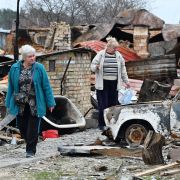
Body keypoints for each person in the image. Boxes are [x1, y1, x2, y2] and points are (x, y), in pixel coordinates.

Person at [5, 44, 56, 158]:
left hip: (35, 102)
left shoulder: (39, 68)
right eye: (30, 56)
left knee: (33, 128)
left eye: (34, 56)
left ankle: (30, 151)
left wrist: (50, 102)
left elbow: (46, 86)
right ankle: (30, 142)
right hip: (21, 103)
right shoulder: (14, 68)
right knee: (22, 127)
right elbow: (11, 87)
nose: (33, 58)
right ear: (24, 57)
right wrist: (8, 102)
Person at [91, 37, 130, 130]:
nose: (116, 50)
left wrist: (126, 81)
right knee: (103, 105)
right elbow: (92, 66)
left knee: (113, 105)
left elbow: (123, 69)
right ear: (108, 47)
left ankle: (112, 124)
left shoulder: (119, 56)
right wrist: (96, 67)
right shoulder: (100, 54)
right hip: (103, 83)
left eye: (116, 48)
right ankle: (102, 124)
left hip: (114, 83)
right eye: (114, 48)